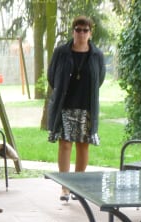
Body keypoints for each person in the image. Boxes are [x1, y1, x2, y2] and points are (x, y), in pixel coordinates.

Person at [47, 16, 106, 200]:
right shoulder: (61, 52)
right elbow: (51, 76)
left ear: (90, 33)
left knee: (83, 145)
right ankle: (65, 187)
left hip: (86, 107)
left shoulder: (97, 55)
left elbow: (100, 79)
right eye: (78, 29)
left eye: (85, 30)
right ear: (73, 31)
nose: (81, 33)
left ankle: (78, 186)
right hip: (65, 106)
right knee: (65, 144)